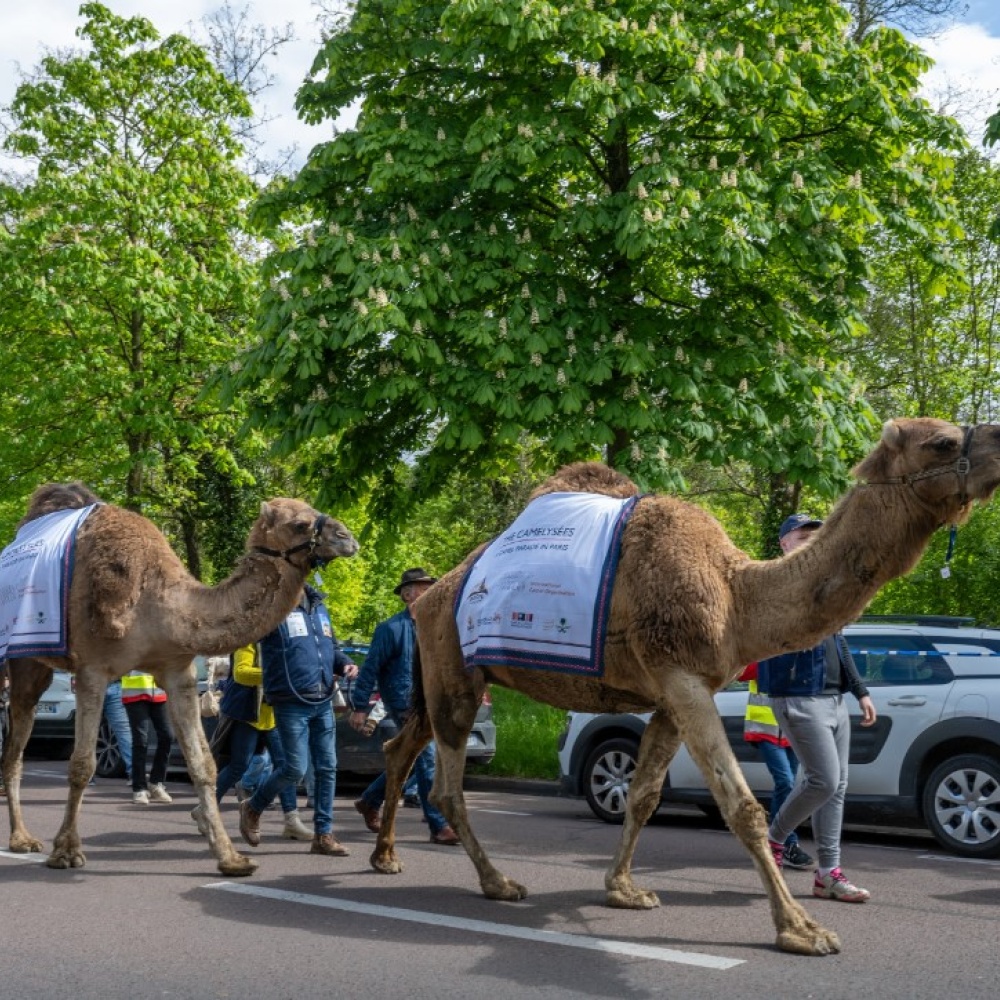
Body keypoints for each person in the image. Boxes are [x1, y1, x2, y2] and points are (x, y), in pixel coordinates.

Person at [758, 513, 877, 903]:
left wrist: (859, 690)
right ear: (784, 544)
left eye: (816, 536)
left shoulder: (827, 585)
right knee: (822, 780)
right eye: (802, 536)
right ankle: (772, 839)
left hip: (833, 698)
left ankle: (828, 874)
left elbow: (838, 642)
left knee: (837, 788)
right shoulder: (772, 581)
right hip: (796, 695)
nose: (811, 541)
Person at [239, 583, 357, 856]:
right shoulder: (272, 607)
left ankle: (323, 835)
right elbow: (248, 633)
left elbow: (331, 649)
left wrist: (345, 663)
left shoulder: (319, 607)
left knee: (328, 768)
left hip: (322, 699)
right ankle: (254, 806)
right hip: (290, 700)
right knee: (295, 768)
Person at [349, 567, 460, 846]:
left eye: (430, 588)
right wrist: (360, 706)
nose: (428, 593)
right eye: (421, 589)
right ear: (407, 595)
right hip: (404, 704)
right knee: (427, 760)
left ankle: (370, 800)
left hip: (432, 702)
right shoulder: (390, 629)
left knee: (407, 759)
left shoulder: (437, 628)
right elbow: (370, 668)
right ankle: (438, 825)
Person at [192, 644, 311, 841]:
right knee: (239, 766)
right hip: (247, 713)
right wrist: (277, 675)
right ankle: (205, 810)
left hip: (273, 715)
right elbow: (241, 673)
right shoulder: (251, 639)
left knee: (286, 767)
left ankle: (292, 821)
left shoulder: (283, 640)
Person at [739, 662, 813, 871]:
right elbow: (742, 674)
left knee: (791, 788)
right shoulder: (764, 654)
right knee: (785, 782)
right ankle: (788, 843)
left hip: (793, 732)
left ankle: (772, 841)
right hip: (765, 731)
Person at [121, 669, 173, 805]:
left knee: (167, 736)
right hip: (135, 693)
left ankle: (156, 782)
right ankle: (139, 788)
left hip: (159, 692)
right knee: (140, 740)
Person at [103, 677, 132, 778]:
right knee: (124, 731)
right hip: (115, 685)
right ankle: (133, 774)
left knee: (87, 731)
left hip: (91, 685)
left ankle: (85, 775)